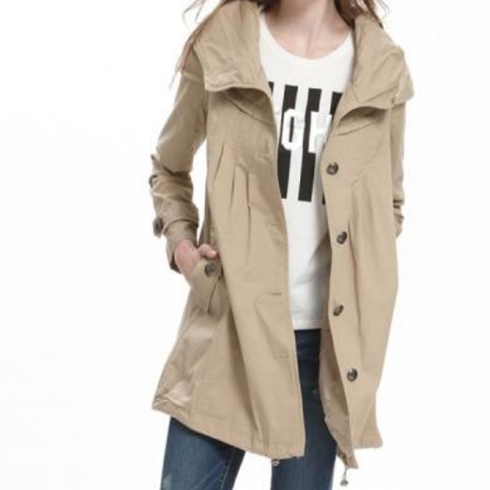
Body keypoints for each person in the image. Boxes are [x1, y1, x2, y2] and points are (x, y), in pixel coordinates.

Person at [148, 0, 414, 489]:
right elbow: (169, 167)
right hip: (228, 330)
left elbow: (387, 204)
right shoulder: (224, 43)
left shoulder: (381, 67)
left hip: (322, 351)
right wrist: (183, 249)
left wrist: (364, 285)